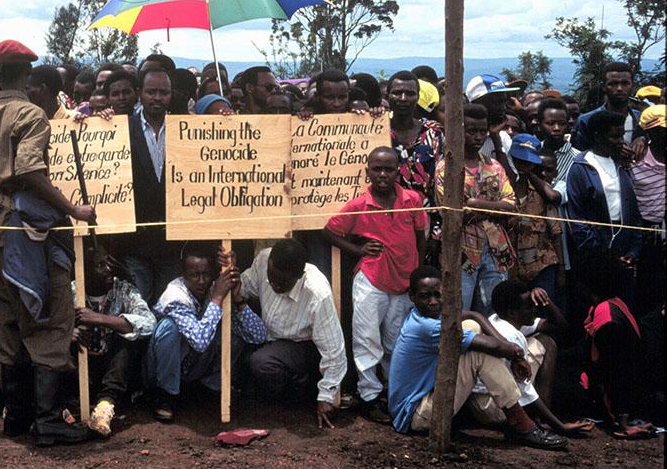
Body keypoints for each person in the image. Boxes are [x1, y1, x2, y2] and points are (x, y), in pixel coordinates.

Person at [0, 39, 95, 447]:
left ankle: (16, 416)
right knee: (50, 320)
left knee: (8, 325)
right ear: (27, 73)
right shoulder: (31, 113)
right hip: (29, 235)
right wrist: (73, 210)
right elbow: (29, 171)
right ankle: (48, 419)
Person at [387, 266, 567, 449]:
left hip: (418, 404)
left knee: (471, 326)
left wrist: (509, 352)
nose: (433, 302)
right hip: (415, 415)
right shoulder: (427, 327)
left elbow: (473, 316)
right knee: (478, 353)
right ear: (412, 295)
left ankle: (517, 420)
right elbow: (496, 346)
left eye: (437, 295)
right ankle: (522, 425)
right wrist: (516, 355)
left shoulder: (420, 314)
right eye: (425, 296)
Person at [325, 147, 427, 423]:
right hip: (371, 278)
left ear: (398, 170)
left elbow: (421, 236)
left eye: (389, 169)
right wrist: (357, 250)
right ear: (367, 170)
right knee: (367, 338)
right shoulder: (359, 205)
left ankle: (394, 393)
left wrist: (415, 272)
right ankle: (369, 395)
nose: (382, 174)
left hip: (404, 281)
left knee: (396, 341)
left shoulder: (412, 200)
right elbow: (331, 231)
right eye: (377, 169)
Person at [226, 239, 347, 429]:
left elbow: (334, 350)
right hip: (270, 340)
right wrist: (230, 274)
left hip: (303, 347)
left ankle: (301, 396)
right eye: (271, 277)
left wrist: (326, 396)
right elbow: (245, 287)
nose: (274, 284)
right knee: (246, 359)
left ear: (299, 276)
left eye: (282, 282)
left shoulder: (317, 292)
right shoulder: (263, 260)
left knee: (262, 362)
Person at [145, 243, 265, 422]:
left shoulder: (215, 287)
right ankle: (165, 397)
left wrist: (237, 298)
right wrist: (217, 298)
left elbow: (258, 336)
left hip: (194, 368)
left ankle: (208, 389)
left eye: (206, 274)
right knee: (169, 327)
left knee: (230, 329)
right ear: (183, 275)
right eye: (194, 275)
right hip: (161, 371)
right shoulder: (175, 296)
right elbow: (199, 341)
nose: (201, 281)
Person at [467, 281, 593, 436]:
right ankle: (542, 419)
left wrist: (546, 301)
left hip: (479, 406)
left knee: (544, 340)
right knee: (547, 343)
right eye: (529, 307)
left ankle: (541, 416)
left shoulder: (498, 319)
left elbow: (560, 327)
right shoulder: (512, 336)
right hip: (497, 410)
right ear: (513, 312)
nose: (535, 310)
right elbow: (525, 388)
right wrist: (560, 425)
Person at [436, 103, 517, 315]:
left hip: (495, 250)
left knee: (493, 311)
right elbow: (453, 213)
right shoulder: (446, 168)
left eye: (482, 131)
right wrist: (493, 209)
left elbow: (511, 204)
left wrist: (474, 204)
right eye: (472, 131)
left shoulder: (494, 166)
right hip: (461, 252)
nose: (478, 137)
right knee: (459, 312)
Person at [71, 243, 155, 436]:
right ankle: (71, 406)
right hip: (81, 368)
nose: (107, 268)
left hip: (114, 370)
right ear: (84, 269)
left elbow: (149, 322)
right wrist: (67, 334)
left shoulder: (123, 289)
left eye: (108, 262)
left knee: (127, 338)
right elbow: (48, 325)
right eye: (99, 265)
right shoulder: (71, 291)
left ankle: (105, 407)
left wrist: (101, 319)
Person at [565, 110, 642, 309]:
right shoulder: (581, 167)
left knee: (623, 308)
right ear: (597, 136)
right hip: (595, 255)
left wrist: (633, 251)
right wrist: (603, 257)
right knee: (597, 309)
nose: (620, 141)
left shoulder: (623, 165)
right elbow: (578, 219)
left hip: (623, 251)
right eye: (614, 136)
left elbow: (634, 212)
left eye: (622, 135)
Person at [115, 68, 179, 304]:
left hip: (172, 244)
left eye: (164, 92)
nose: (158, 98)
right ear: (140, 93)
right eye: (152, 92)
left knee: (169, 308)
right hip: (135, 244)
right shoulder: (121, 128)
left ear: (171, 95)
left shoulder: (184, 129)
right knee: (138, 310)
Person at [580, 267, 656, 439]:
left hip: (617, 393)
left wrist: (620, 418)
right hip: (615, 386)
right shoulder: (613, 303)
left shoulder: (606, 315)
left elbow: (614, 366)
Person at [386, 70, 445, 262]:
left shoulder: (433, 133)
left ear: (418, 97)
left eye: (410, 93)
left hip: (426, 220)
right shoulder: (377, 130)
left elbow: (440, 184)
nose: (403, 98)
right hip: (386, 221)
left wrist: (437, 232)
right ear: (388, 95)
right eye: (397, 92)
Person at [503, 134, 564, 298]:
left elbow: (556, 233)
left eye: (527, 162)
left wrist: (561, 271)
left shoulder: (542, 191)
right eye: (519, 161)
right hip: (512, 268)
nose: (522, 166)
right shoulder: (503, 190)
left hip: (542, 266)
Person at [630, 105, 665, 315]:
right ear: (650, 132)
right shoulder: (636, 158)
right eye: (662, 130)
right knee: (640, 286)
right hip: (639, 228)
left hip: (661, 230)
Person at [572, 62, 645, 156]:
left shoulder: (641, 118)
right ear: (604, 87)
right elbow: (577, 155)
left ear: (632, 85)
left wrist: (643, 138)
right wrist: (610, 149)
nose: (619, 88)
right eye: (613, 84)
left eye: (625, 83)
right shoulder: (586, 121)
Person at [465, 74, 521, 165]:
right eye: (496, 102)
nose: (502, 107)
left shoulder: (503, 137)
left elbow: (511, 178)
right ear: (476, 103)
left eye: (503, 101)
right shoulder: (458, 137)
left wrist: (496, 141)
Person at [535, 98, 578, 185]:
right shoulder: (532, 151)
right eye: (550, 123)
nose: (557, 128)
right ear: (539, 125)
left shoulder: (577, 159)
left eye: (562, 123)